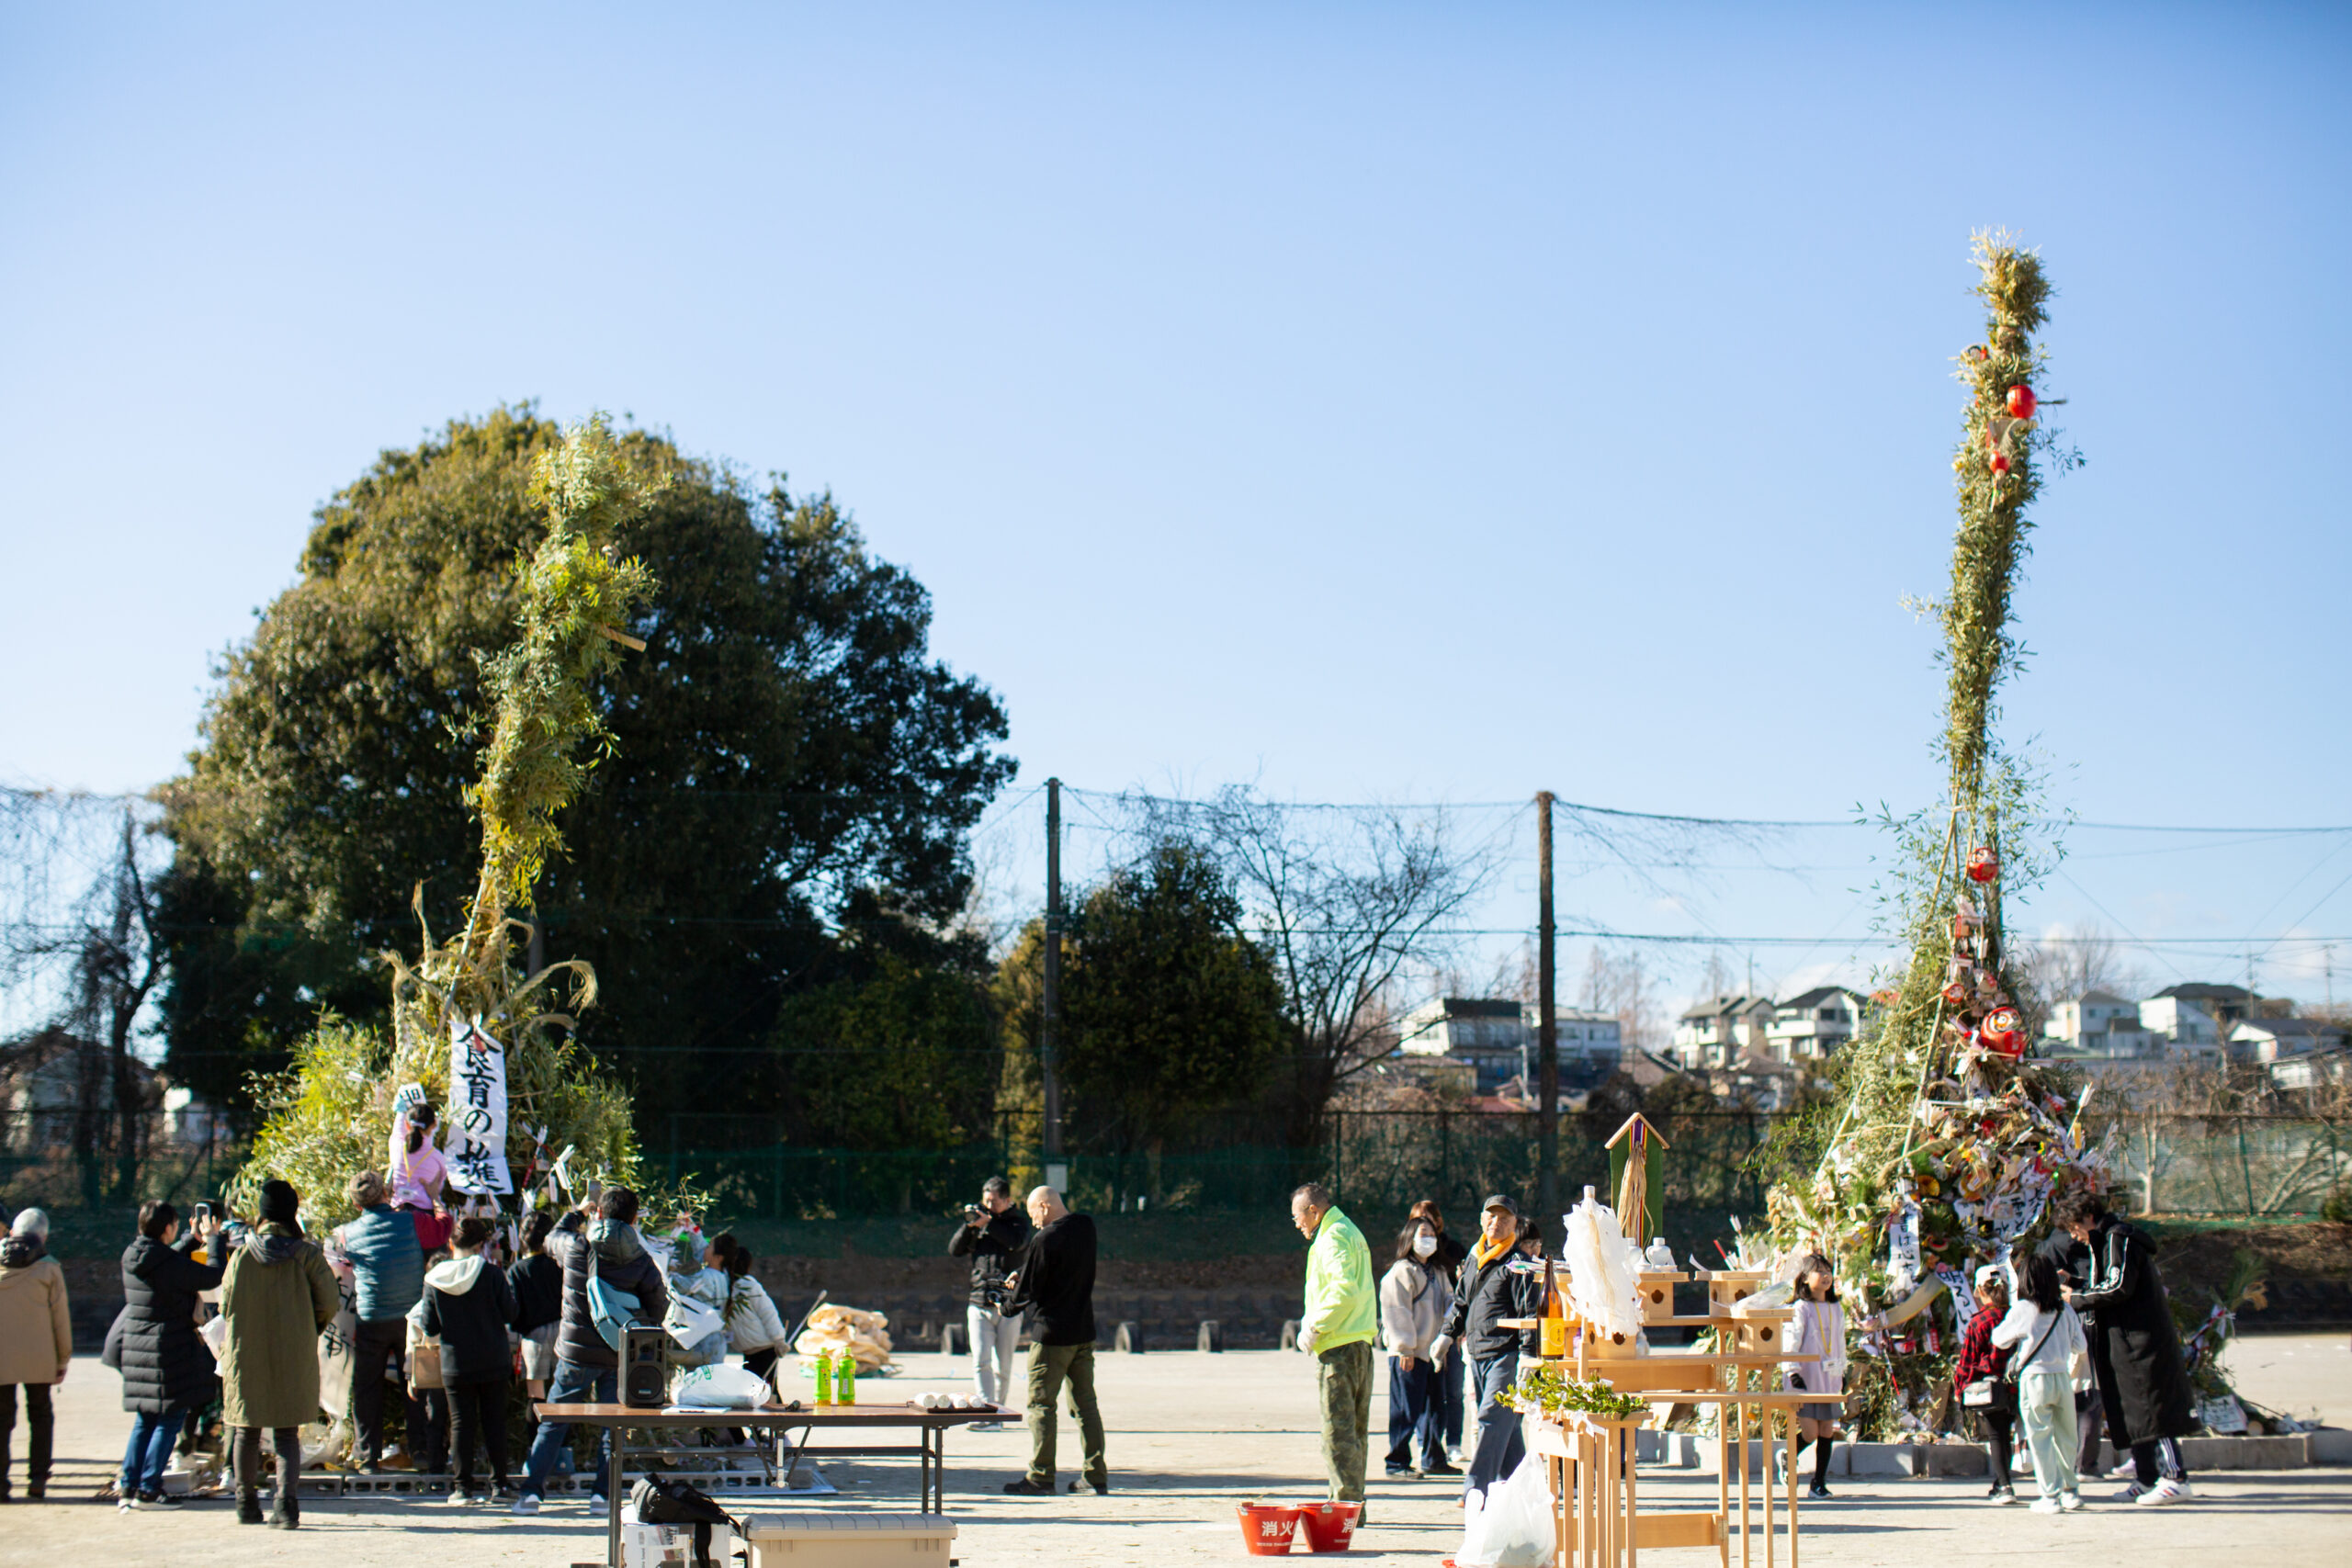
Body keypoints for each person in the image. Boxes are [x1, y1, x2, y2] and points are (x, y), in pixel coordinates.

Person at [513, 1186, 670, 1516]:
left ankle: (531, 1494)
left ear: (599, 1212)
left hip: (575, 1353)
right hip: (618, 1353)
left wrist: (577, 1212)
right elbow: (659, 1304)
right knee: (612, 1425)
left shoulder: (575, 1245)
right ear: (634, 1218)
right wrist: (632, 1326)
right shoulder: (641, 1258)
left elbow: (551, 1236)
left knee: (554, 1422)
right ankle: (602, 1495)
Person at [2055, 1190, 2195, 1506]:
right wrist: (2076, 1283)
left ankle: (2176, 1477)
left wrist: (2074, 1299)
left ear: (2089, 1218)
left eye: (2075, 1227)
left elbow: (2119, 1287)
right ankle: (2146, 1478)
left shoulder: (2120, 1239)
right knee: (2134, 1411)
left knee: (2153, 1407)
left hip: (2142, 1340)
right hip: (2121, 1341)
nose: (2075, 1236)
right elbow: (2107, 1283)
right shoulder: (2103, 1243)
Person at [218, 1179, 339, 1529]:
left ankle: (246, 1504)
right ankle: (286, 1508)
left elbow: (225, 1305)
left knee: (246, 1430)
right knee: (286, 1433)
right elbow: (329, 1302)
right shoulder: (307, 1255)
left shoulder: (241, 1254)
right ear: (292, 1213)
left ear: (261, 1212)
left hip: (246, 1352)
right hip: (293, 1352)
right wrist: (307, 1326)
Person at [1430, 1195, 1541, 1505]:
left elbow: (1529, 1313)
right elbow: (1462, 1303)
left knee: (1492, 1417)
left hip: (1505, 1353)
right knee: (1506, 1427)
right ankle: (1526, 1489)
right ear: (1482, 1220)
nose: (1497, 1223)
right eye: (1491, 1217)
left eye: (1504, 1219)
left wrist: (1529, 1357)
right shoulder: (1473, 1257)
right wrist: (1446, 1335)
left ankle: (1475, 1488)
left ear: (1515, 1225)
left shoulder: (1519, 1265)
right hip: (1476, 1352)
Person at [117, 1199, 224, 1510]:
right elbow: (213, 1276)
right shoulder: (167, 1264)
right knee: (170, 1417)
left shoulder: (133, 1255)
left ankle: (129, 1486)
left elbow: (165, 1261)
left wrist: (191, 1239)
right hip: (168, 1348)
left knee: (145, 1420)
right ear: (167, 1228)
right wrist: (214, 1239)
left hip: (138, 1348)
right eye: (175, 1226)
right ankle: (150, 1489)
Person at [1001, 1186, 1105, 1497]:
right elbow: (1050, 1267)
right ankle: (1095, 1475)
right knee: (1086, 1405)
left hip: (1051, 1337)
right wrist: (1024, 1272)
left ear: (1044, 1207)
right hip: (1083, 1332)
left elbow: (1025, 1294)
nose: (1032, 1220)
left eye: (1033, 1212)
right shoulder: (1085, 1226)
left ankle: (1041, 1477)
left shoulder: (1043, 1239)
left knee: (1041, 1405)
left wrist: (1004, 1305)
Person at [1292, 1183, 1378, 1518]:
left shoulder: (1334, 1236)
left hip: (1340, 1345)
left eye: (1297, 1216)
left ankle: (1344, 1508)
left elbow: (1345, 1290)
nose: (1296, 1223)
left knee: (1337, 1433)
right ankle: (1353, 1504)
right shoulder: (1348, 1231)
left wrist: (1316, 1325)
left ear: (1313, 1210)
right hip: (1358, 1342)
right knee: (1355, 1432)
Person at [419, 1216, 519, 1505]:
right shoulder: (491, 1274)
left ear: (451, 1243)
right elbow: (510, 1314)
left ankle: (462, 1488)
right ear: (481, 1245)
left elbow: (430, 1327)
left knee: (461, 1424)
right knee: (494, 1423)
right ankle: (499, 1485)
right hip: (493, 1359)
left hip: (455, 1362)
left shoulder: (434, 1279)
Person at [334, 1170, 425, 1472]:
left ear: (356, 1203)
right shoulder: (412, 1221)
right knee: (415, 1383)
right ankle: (423, 1452)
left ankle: (366, 1456)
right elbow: (442, 1230)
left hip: (372, 1317)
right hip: (411, 1319)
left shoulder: (347, 1232)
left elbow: (337, 1257)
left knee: (366, 1387)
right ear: (386, 1193)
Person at [1994, 1252, 2090, 1515]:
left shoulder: (2024, 1309)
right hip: (2062, 1378)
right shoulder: (2064, 1308)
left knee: (2040, 1437)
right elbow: (2080, 1345)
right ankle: (2071, 1491)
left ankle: (2050, 1495)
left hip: (2034, 1378)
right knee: (2066, 1437)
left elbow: (1999, 1339)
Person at [949, 1176, 1033, 1429]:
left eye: (993, 1201)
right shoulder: (979, 1223)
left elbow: (1017, 1243)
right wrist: (971, 1226)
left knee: (1003, 1364)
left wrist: (991, 1223)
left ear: (1007, 1200)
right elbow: (955, 1249)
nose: (988, 1205)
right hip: (978, 1300)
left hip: (1008, 1304)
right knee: (980, 1360)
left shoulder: (1017, 1222)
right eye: (985, 1200)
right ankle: (987, 1413)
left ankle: (998, 1412)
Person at [0, 1208, 69, 1502]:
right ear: (43, 1235)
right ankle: (38, 1478)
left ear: (12, 1231)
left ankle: (1, 1484)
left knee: (2, 1419)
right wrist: (63, 1357)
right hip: (41, 1358)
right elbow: (60, 1318)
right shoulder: (49, 1266)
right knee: (40, 1414)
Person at [1380, 1216, 1456, 1480]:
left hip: (1432, 1351)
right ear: (1409, 1238)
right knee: (1406, 1408)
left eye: (1432, 1234)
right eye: (1422, 1233)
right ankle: (1397, 1462)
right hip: (1409, 1353)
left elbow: (1450, 1300)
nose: (1429, 1239)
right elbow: (1396, 1311)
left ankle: (1434, 1457)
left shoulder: (1438, 1272)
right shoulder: (1401, 1271)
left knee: (1437, 1407)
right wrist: (1405, 1348)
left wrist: (1446, 1338)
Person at [2035, 1224, 2109, 1481]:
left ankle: (2066, 1465)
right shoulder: (2084, 1246)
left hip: (2057, 1341)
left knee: (2073, 1402)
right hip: (2084, 1323)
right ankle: (2084, 1463)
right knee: (2089, 1396)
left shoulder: (2050, 1246)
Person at [1951, 1263, 2019, 1504]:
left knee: (1996, 1435)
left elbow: (1967, 1360)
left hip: (1989, 1387)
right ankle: (2000, 1481)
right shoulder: (2015, 1315)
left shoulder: (1979, 1321)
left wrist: (1960, 1387)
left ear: (1979, 1290)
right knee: (2006, 1434)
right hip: (2015, 1384)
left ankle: (2005, 1486)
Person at [1783, 1253, 1849, 1501]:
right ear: (1804, 1278)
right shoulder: (1801, 1308)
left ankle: (1818, 1483)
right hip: (1806, 1379)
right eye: (1818, 1271)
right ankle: (1789, 1455)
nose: (1825, 1276)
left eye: (1827, 1271)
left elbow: (1840, 1342)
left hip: (1829, 1378)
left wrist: (1842, 1371)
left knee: (1827, 1431)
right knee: (1809, 1432)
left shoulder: (1836, 1307)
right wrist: (1792, 1371)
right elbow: (1792, 1341)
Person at [1409, 1199, 1469, 1467]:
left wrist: (1458, 1329)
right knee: (1427, 1394)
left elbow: (1461, 1293)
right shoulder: (1409, 1258)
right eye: (1420, 1220)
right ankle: (1426, 1442)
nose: (1428, 1228)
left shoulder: (1454, 1250)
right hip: (1422, 1336)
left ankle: (1453, 1443)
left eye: (1431, 1221)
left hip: (1452, 1332)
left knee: (1454, 1390)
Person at [707, 1233, 789, 1386]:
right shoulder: (726, 1286)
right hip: (749, 1351)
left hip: (765, 1349)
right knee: (753, 1389)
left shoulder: (748, 1285)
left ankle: (777, 1410)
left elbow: (768, 1313)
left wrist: (779, 1340)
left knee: (767, 1390)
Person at [508, 1210, 565, 1406]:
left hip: (533, 1335)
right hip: (564, 1331)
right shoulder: (561, 1265)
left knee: (536, 1395)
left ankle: (537, 1437)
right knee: (564, 1391)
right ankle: (562, 1436)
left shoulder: (517, 1270)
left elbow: (513, 1309)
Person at [389, 1101, 452, 1254]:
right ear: (434, 1125)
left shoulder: (397, 1147)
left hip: (396, 1213)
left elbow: (397, 1131)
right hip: (425, 1218)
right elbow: (438, 1187)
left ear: (406, 1125)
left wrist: (401, 1112)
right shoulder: (438, 1158)